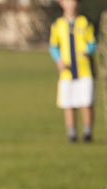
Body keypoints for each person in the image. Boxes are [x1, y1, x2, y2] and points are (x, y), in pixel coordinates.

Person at [49, 0, 97, 142]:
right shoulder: (58, 25)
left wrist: (88, 51)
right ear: (62, 3)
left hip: (84, 70)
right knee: (68, 103)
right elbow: (53, 46)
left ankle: (87, 132)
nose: (71, 5)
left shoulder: (84, 22)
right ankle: (72, 133)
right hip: (67, 72)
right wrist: (58, 60)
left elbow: (92, 42)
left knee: (86, 102)